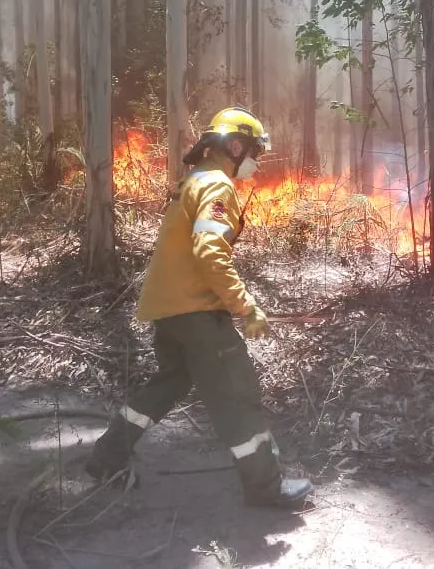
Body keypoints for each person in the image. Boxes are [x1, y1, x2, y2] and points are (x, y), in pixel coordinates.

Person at [85, 107, 313, 509]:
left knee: (170, 382)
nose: (255, 163)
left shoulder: (192, 182)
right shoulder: (217, 187)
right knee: (237, 393)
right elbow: (209, 252)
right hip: (196, 314)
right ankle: (265, 488)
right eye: (254, 152)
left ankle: (107, 457)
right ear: (236, 146)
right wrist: (245, 307)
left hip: (167, 309)